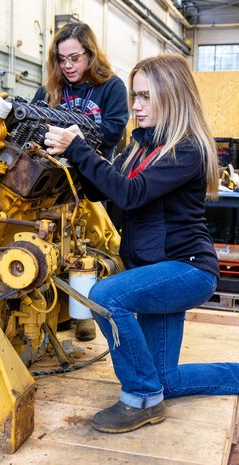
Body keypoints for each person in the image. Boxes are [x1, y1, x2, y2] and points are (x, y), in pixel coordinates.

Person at [43, 53, 239, 434]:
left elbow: (131, 195)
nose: (135, 105)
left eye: (146, 96)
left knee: (103, 296)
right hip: (154, 270)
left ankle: (142, 399)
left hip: (187, 269)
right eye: (135, 95)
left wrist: (81, 150)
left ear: (173, 96)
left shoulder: (187, 150)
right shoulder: (141, 146)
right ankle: (159, 389)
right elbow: (108, 193)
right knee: (166, 379)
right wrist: (74, 160)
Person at [32, 21, 129, 341]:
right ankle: (59, 308)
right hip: (53, 181)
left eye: (74, 58)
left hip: (95, 184)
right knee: (52, 242)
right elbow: (32, 123)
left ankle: (85, 312)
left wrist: (70, 134)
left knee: (93, 246)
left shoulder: (111, 87)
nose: (68, 66)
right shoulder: (50, 90)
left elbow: (113, 131)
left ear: (90, 53)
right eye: (62, 59)